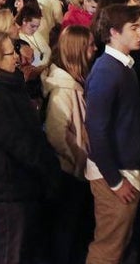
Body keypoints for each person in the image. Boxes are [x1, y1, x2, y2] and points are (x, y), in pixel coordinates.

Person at [0, 29, 60, 264]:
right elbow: (18, 142)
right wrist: (46, 164)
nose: (17, 58)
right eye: (11, 53)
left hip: (18, 184)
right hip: (6, 187)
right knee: (10, 253)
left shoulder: (9, 87)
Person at [84, 4, 140, 264]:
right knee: (108, 248)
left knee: (119, 244)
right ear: (113, 32)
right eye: (134, 28)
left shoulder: (122, 67)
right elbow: (96, 131)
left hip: (123, 170)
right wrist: (115, 181)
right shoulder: (107, 71)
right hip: (115, 174)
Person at [42, 25, 96, 264]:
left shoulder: (73, 84)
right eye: (91, 46)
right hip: (69, 174)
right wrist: (77, 159)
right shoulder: (62, 91)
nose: (95, 50)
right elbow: (56, 133)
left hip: (76, 170)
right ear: (78, 51)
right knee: (67, 231)